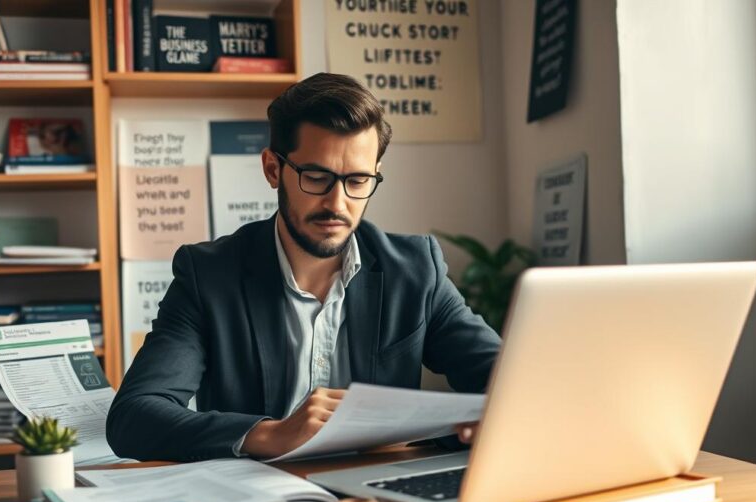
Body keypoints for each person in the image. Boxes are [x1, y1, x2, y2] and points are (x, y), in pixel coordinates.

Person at [107, 73, 501, 462]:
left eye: (359, 180)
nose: (338, 202)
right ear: (273, 169)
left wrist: (477, 426)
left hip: (378, 498)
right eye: (317, 177)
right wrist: (270, 434)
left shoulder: (416, 270)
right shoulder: (208, 276)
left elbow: (508, 382)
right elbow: (135, 416)